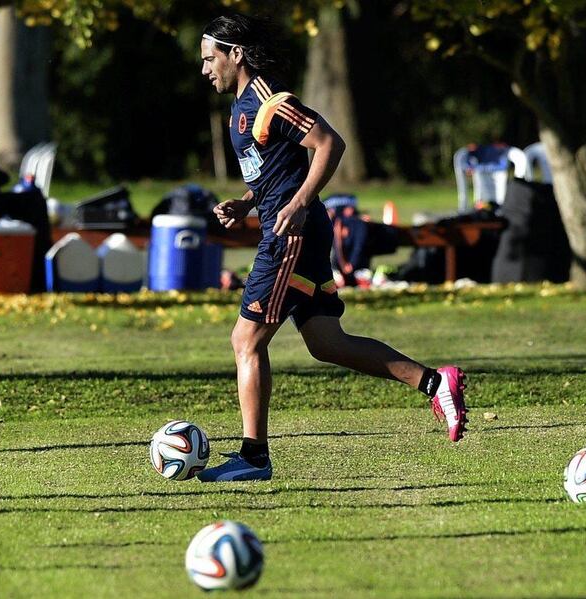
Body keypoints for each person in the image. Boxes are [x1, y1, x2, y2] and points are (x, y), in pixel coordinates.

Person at [198, 14, 467, 483]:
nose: (204, 70)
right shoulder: (241, 106)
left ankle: (254, 457)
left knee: (246, 340)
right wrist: (246, 204)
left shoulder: (270, 101)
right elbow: (274, 171)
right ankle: (434, 382)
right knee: (326, 342)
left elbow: (329, 143)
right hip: (291, 229)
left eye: (209, 58)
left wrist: (300, 203)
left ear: (234, 54)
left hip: (292, 236)